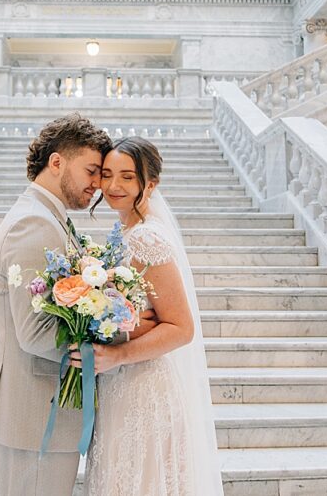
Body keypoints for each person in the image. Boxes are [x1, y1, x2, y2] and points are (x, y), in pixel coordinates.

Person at [0, 115, 155, 496]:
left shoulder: (48, 219)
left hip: (40, 415)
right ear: (57, 162)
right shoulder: (34, 225)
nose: (99, 185)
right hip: (35, 415)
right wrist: (119, 333)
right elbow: (36, 333)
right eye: (92, 171)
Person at [79, 137, 224, 496]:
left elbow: (181, 327)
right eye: (107, 174)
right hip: (119, 382)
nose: (113, 186)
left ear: (150, 184)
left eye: (127, 177)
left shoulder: (146, 239)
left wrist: (117, 354)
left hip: (143, 385)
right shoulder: (124, 234)